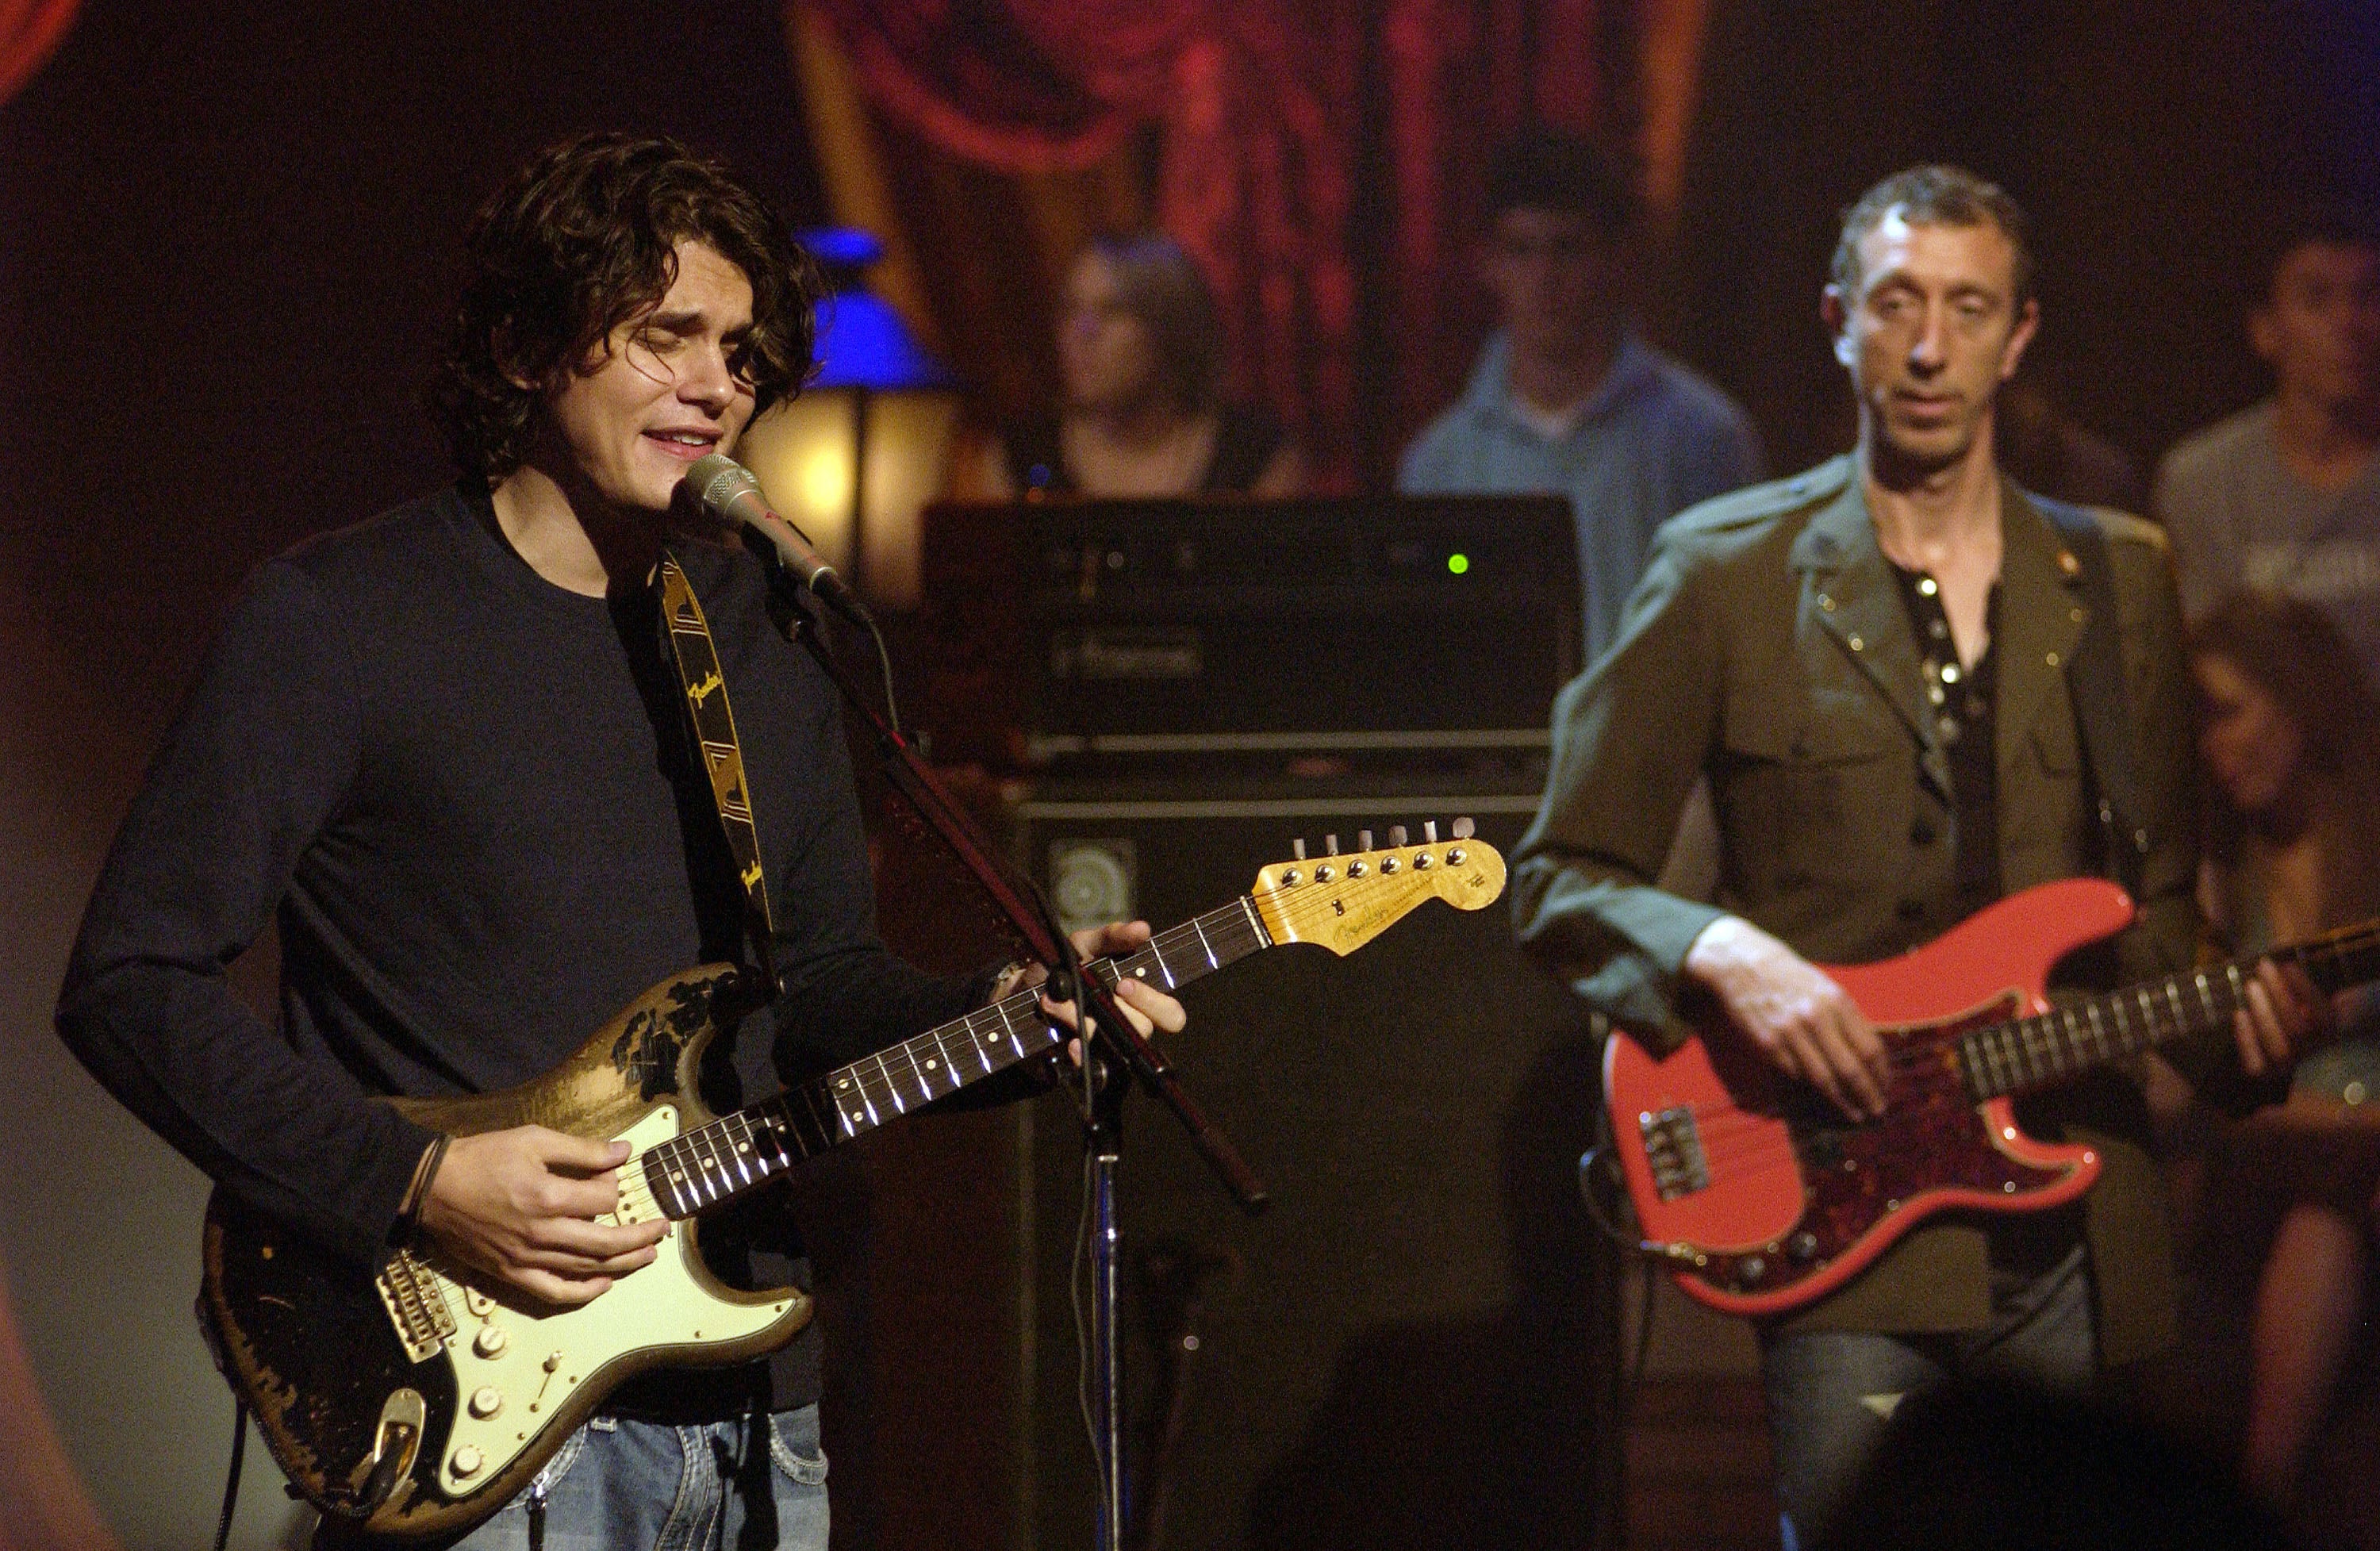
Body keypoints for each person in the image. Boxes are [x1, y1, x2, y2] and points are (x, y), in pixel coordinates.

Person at [53, 132, 1182, 1549]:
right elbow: (130, 981)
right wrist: (417, 1181)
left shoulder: (763, 645)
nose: (719, 386)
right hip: (492, 1416)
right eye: (668, 338)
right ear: (530, 346)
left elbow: (821, 988)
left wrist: (1003, 1011)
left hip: (761, 1414)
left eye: (745, 354)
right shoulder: (335, 625)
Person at [1509, 164, 2320, 1549]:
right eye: (1897, 306)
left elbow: (2156, 915)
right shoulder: (1725, 569)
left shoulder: (2118, 572)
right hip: (1838, 1219)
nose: (1930, 346)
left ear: (2021, 334)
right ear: (1841, 322)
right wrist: (1724, 951)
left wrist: (2248, 1035)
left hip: (2069, 1209)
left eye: (1966, 308)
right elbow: (1559, 879)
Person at [1397, 126, 1762, 667]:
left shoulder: (1702, 436)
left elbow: (1746, 635)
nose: (1544, 278)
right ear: (1489, 265)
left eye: (1567, 250)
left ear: (1615, 260)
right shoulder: (1440, 461)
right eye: (1521, 251)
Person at [2187, 589, 2380, 1513]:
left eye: (2227, 710)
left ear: (2298, 698)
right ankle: (2261, 1493)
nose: (2211, 747)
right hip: (2274, 1160)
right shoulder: (2220, 867)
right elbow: (2196, 1087)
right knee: (2324, 1201)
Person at [2155, 211, 2380, 686]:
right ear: (2266, 329)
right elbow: (2213, 666)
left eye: (2365, 297)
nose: (2348, 323)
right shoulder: (2205, 481)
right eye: (2317, 300)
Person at [950, 232, 1303, 500]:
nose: (1082, 331)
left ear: (1169, 327)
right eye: (1072, 309)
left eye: (1111, 311)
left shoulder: (1251, 458)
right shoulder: (1021, 457)